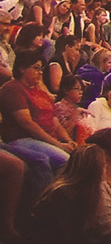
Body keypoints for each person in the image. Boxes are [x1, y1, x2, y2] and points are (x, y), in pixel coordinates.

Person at [0, 49, 75, 190]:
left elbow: (55, 123)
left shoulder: (41, 93)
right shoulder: (13, 89)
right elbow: (27, 123)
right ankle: (45, 201)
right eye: (36, 68)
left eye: (41, 69)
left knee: (79, 158)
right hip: (22, 139)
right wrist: (58, 145)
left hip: (44, 139)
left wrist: (68, 141)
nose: (40, 73)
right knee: (65, 161)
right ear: (22, 68)